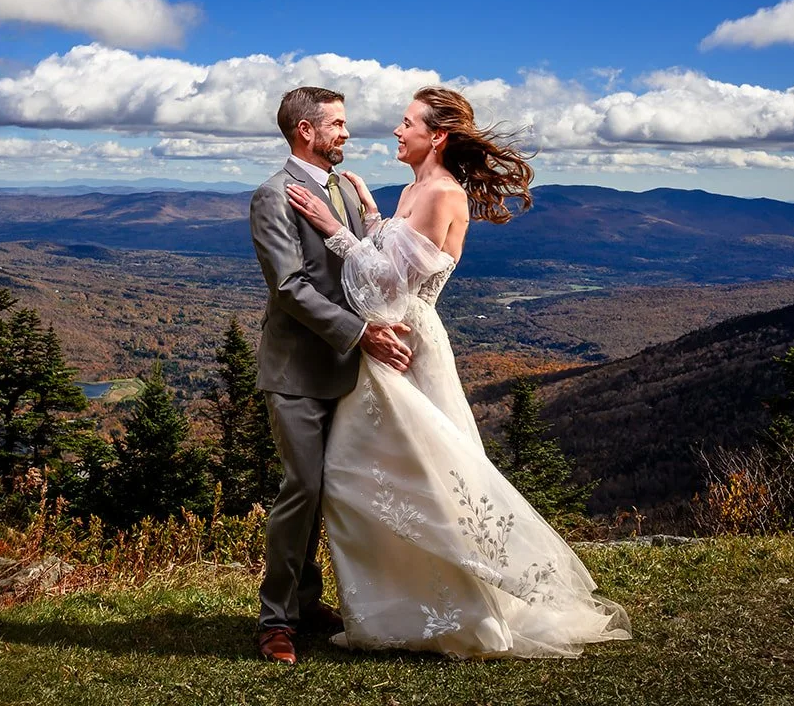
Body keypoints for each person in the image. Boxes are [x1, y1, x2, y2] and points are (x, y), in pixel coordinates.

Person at [283, 86, 630, 658]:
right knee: (372, 480)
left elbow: (388, 285)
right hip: (389, 342)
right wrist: (370, 211)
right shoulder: (414, 188)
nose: (397, 131)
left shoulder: (443, 194)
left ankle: (452, 610)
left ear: (436, 136)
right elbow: (389, 255)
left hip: (407, 346)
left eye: (407, 122)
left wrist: (332, 227)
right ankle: (396, 606)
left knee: (410, 481)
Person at [247, 86, 413, 665]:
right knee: (303, 489)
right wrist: (361, 332)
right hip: (295, 372)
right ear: (305, 132)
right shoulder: (271, 197)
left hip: (348, 369)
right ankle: (275, 622)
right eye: (337, 125)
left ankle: (307, 602)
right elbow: (289, 288)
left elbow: (363, 266)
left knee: (331, 490)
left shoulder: (342, 187)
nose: (346, 133)